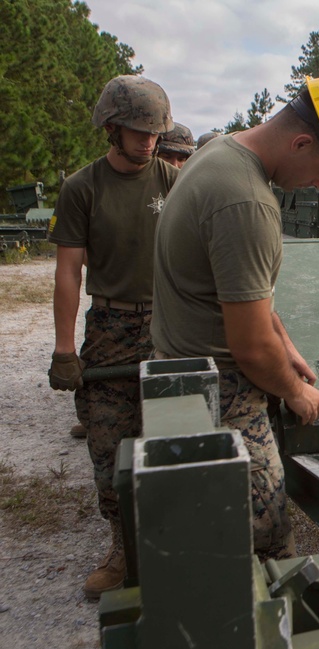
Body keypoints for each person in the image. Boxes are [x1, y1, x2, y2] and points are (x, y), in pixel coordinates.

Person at [152, 76, 319, 558]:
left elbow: (241, 296)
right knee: (261, 535)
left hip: (185, 369)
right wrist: (296, 392)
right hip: (223, 391)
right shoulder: (247, 201)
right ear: (300, 142)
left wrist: (288, 345)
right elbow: (251, 347)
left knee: (206, 525)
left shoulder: (217, 153)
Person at [47, 75, 178, 599]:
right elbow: (67, 272)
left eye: (154, 131)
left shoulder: (172, 182)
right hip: (109, 327)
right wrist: (63, 350)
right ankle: (124, 548)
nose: (147, 140)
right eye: (136, 130)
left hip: (168, 327)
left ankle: (171, 542)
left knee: (173, 440)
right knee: (110, 447)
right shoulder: (83, 187)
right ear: (111, 128)